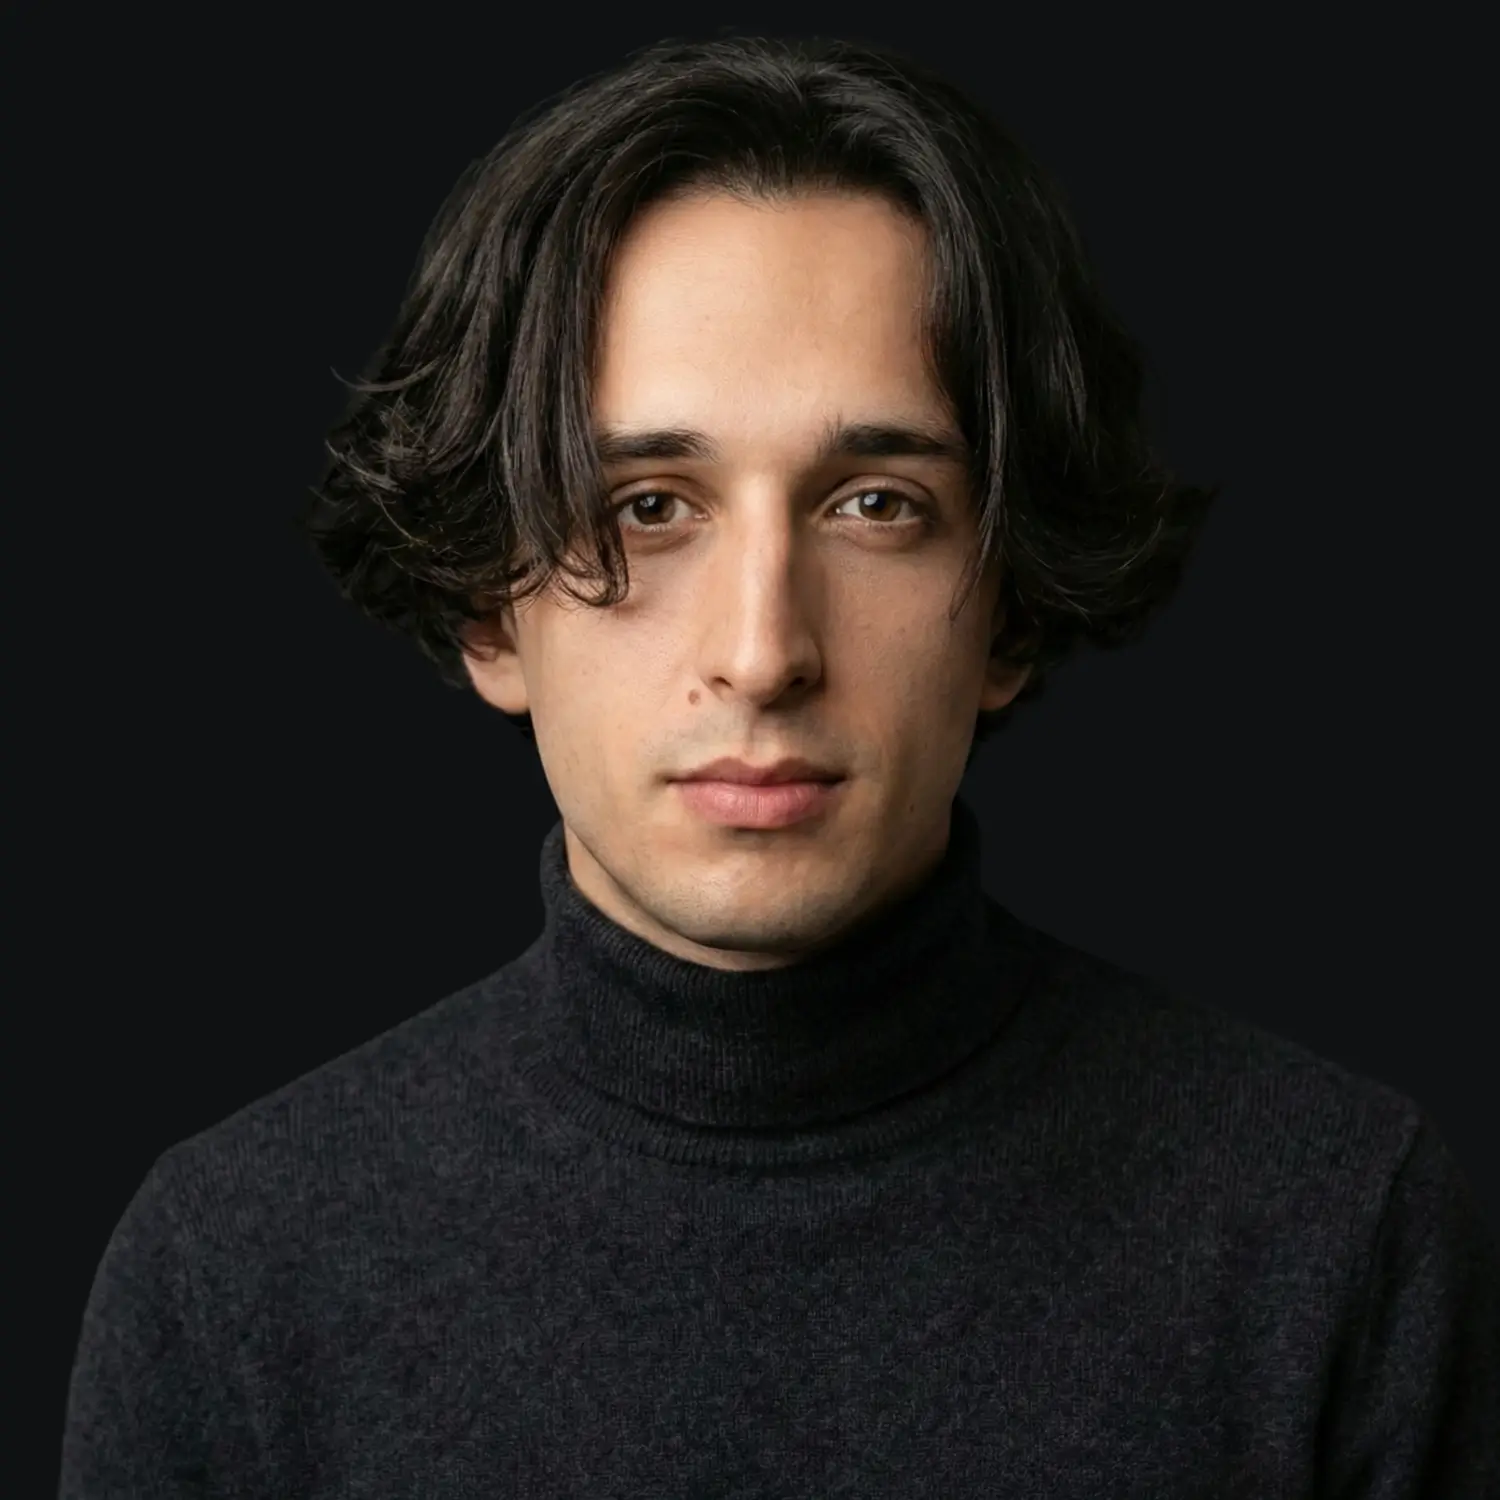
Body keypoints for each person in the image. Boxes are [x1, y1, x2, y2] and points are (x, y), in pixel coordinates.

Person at [60, 32, 1498, 1497]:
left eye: (876, 504)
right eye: (647, 507)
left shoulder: (1333, 1235)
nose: (762, 652)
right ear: (489, 610)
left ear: (1010, 609)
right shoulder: (231, 1278)